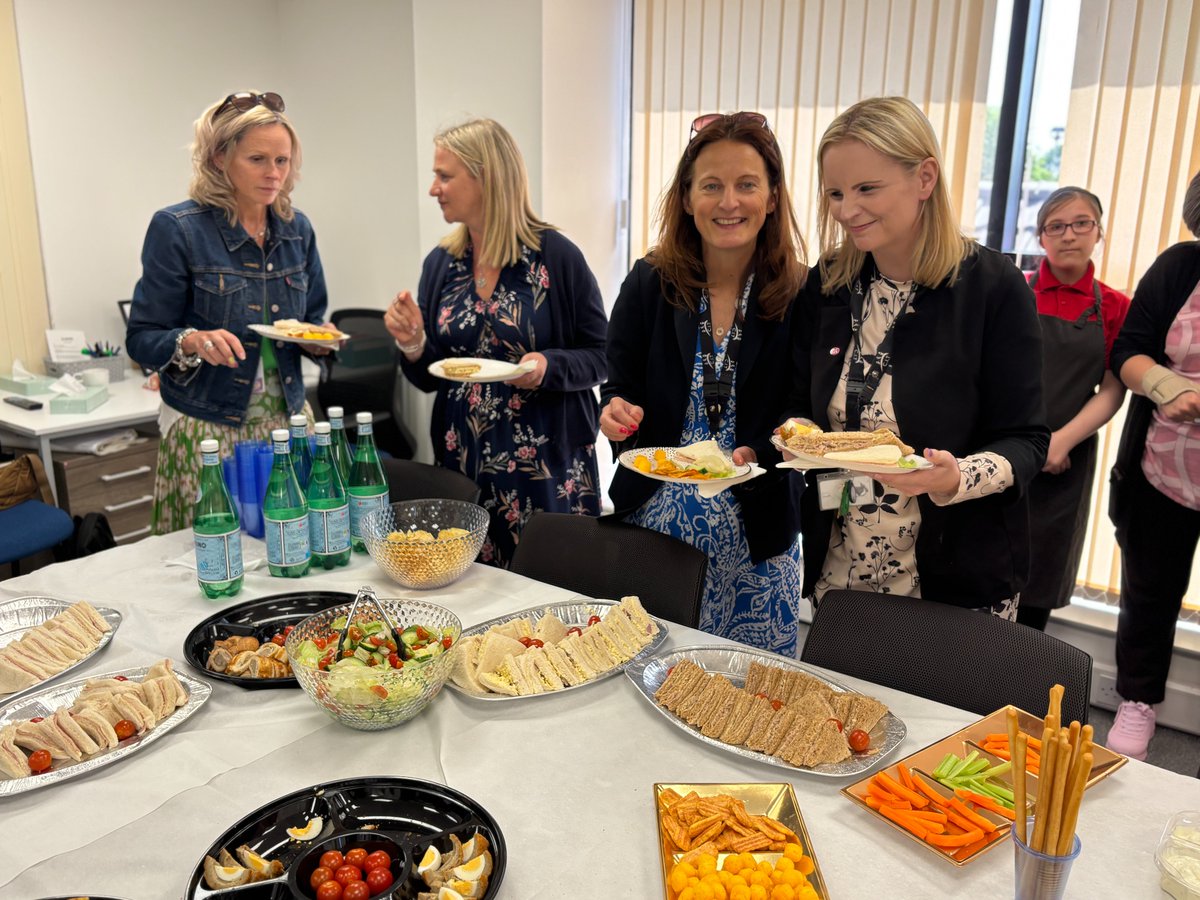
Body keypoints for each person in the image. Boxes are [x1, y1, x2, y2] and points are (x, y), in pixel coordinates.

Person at [789, 96, 1048, 615]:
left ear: (925, 178)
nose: (846, 210)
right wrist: (797, 432)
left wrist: (956, 477)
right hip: (842, 567)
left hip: (955, 574)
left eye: (867, 189)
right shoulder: (830, 282)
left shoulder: (992, 287)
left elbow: (1027, 440)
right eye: (835, 193)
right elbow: (796, 400)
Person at [600, 112, 807, 656]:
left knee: (753, 695)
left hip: (759, 540)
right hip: (657, 532)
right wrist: (616, 413)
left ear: (772, 197)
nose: (728, 202)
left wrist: (765, 449)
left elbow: (803, 407)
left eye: (746, 185)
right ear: (688, 198)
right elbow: (619, 387)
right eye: (711, 186)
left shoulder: (799, 293)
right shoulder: (649, 283)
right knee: (649, 682)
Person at [387, 119, 607, 567]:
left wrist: (547, 366)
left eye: (445, 176)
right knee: (469, 586)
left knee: (548, 585)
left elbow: (602, 356)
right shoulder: (442, 264)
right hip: (461, 462)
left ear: (486, 177)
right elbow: (430, 375)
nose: (433, 189)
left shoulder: (555, 257)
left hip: (546, 463)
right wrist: (412, 343)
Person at [127, 91, 330, 534]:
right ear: (219, 158)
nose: (274, 173)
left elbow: (313, 320)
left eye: (282, 160)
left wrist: (321, 340)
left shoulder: (297, 230)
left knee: (293, 548)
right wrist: (190, 341)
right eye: (258, 159)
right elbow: (141, 337)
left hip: (289, 423)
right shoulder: (178, 229)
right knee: (215, 555)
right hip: (209, 428)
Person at [1105, 169, 1200, 760]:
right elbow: (1128, 351)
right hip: (1162, 473)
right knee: (1149, 595)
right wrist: (1169, 387)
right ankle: (1137, 700)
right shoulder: (1178, 268)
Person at [1017, 188, 1131, 631]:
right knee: (982, 571)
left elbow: (1112, 390)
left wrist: (1060, 441)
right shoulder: (1013, 291)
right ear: (1041, 237)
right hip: (1002, 448)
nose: (1069, 235)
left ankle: (1019, 675)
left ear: (1098, 232)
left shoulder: (1116, 307)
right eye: (1056, 226)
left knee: (1038, 583)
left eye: (1082, 223)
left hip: (1065, 458)